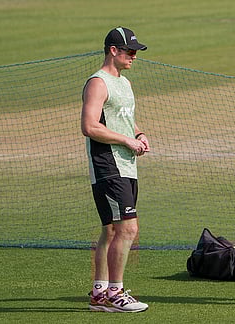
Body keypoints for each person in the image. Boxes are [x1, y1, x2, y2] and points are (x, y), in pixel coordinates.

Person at [81, 26, 150, 313]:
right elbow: (89, 126)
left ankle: (100, 292)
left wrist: (139, 134)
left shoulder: (125, 83)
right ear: (113, 50)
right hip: (108, 165)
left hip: (126, 164)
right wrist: (125, 140)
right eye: (129, 51)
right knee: (127, 229)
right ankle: (115, 293)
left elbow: (123, 118)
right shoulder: (98, 83)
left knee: (110, 230)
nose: (134, 56)